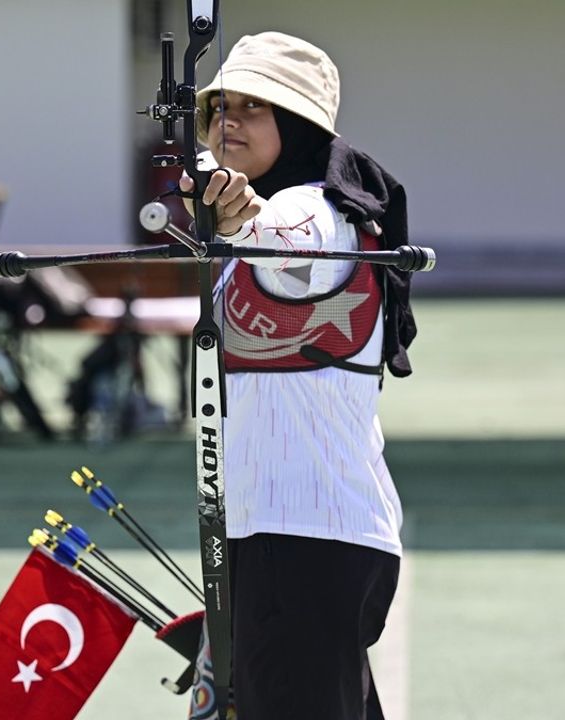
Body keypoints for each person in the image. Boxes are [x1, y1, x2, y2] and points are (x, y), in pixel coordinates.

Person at [177, 31, 418, 720]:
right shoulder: (254, 231)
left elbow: (285, 239)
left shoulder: (321, 211)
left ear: (301, 124)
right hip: (283, 536)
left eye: (255, 107)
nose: (228, 118)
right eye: (221, 104)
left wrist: (239, 211)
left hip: (302, 540)